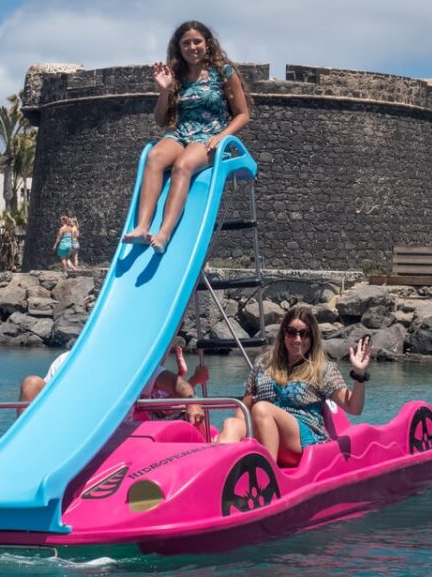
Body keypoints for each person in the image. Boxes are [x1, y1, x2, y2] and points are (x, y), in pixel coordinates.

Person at [122, 20, 250, 255]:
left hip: (210, 135)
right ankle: (142, 227)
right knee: (154, 157)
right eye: (186, 43)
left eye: (197, 42)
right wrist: (165, 90)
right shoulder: (177, 76)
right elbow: (161, 120)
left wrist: (222, 136)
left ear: (207, 44)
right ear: (179, 47)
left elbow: (243, 115)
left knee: (183, 166)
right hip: (181, 133)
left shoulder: (223, 73)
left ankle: (164, 233)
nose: (192, 47)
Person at [217, 306, 372, 467]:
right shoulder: (263, 363)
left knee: (262, 409)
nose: (297, 339)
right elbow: (245, 405)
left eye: (304, 334)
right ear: (283, 334)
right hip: (264, 430)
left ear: (312, 338)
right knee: (231, 424)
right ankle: (222, 474)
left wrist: (359, 374)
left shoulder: (323, 369)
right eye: (291, 332)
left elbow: (353, 407)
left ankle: (268, 474)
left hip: (302, 438)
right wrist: (238, 428)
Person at [17, 347, 207, 426]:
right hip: (65, 428)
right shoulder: (67, 360)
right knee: (31, 383)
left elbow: (175, 385)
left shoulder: (134, 365)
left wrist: (192, 400)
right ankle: (22, 444)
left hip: (113, 434)